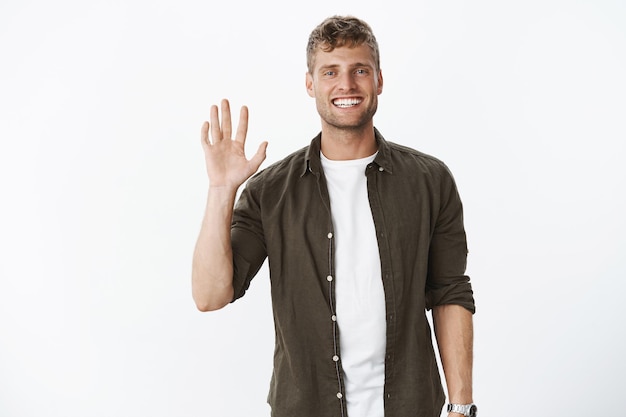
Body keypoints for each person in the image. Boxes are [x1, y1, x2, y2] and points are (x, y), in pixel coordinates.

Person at [192, 15, 477, 417]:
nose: (347, 85)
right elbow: (210, 296)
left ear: (379, 80)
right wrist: (222, 192)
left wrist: (461, 407)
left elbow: (449, 292)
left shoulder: (429, 181)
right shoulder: (270, 192)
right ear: (310, 84)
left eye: (359, 70)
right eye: (331, 72)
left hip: (410, 407)